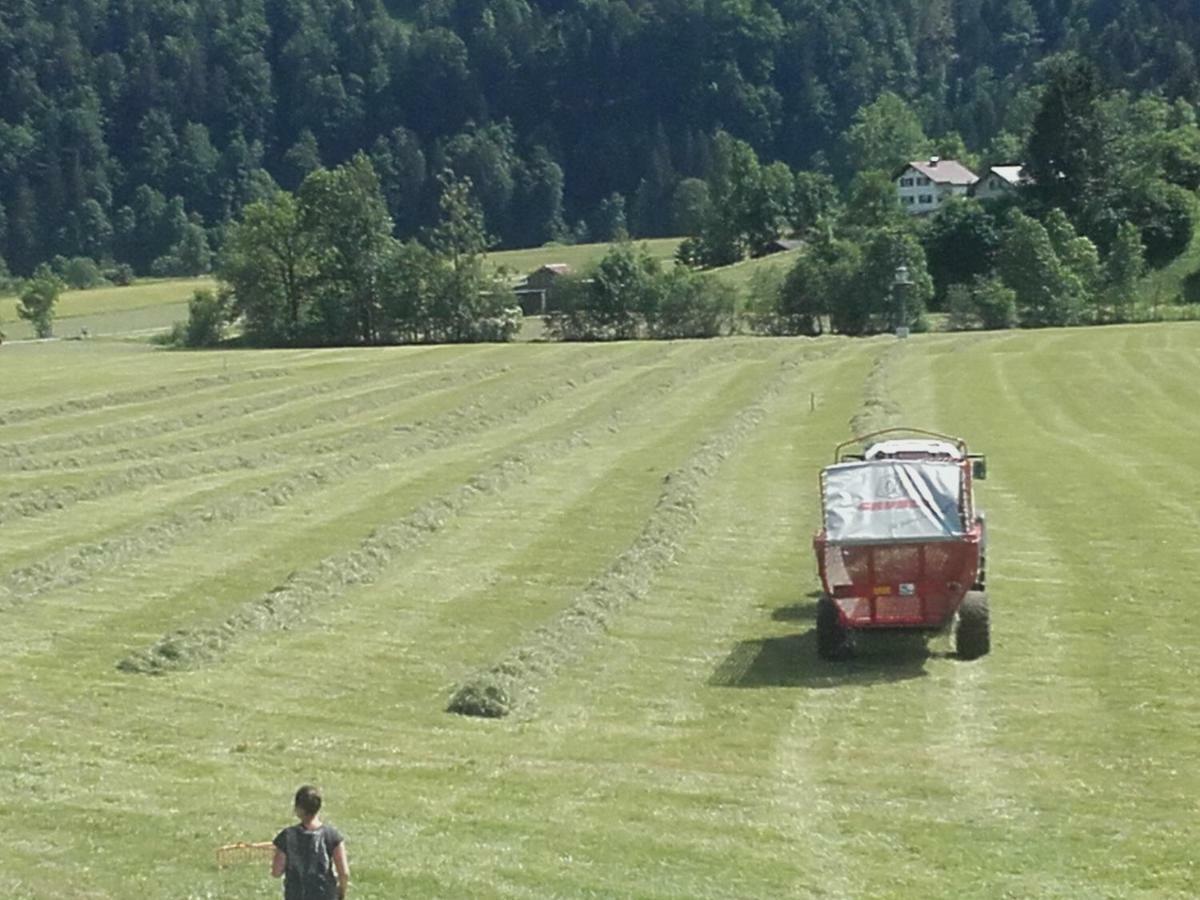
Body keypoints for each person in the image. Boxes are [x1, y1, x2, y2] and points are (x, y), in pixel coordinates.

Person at [271, 785, 350, 900]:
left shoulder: (287, 837)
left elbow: (276, 872)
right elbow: (344, 873)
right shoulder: (332, 836)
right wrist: (341, 892)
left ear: (298, 809)